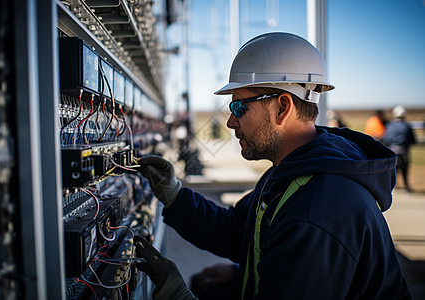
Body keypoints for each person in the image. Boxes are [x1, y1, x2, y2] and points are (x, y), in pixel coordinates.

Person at [136, 32, 411, 299]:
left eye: (239, 107)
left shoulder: (317, 211)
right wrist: (174, 195)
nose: (231, 122)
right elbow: (240, 231)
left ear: (282, 107)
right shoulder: (292, 172)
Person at [383, 105, 416, 192]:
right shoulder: (407, 126)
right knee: (404, 169)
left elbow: (386, 139)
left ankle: (393, 186)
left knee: (393, 170)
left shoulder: (390, 125)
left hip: (393, 151)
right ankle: (406, 186)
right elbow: (412, 140)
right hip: (404, 151)